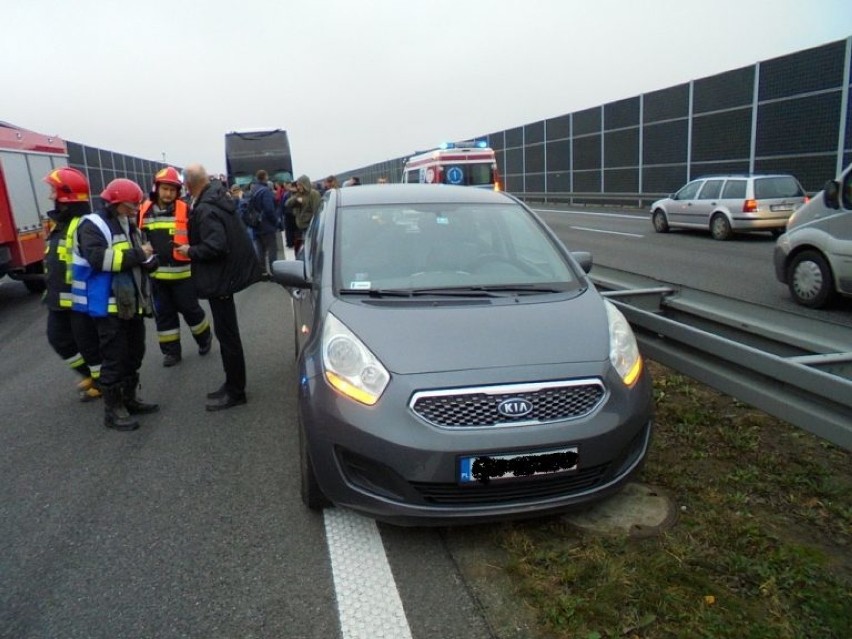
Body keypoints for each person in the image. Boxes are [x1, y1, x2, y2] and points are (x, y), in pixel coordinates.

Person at [73, 178, 159, 431]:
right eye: (130, 205)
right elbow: (100, 260)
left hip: (130, 301)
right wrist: (139, 255)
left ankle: (130, 399)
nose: (135, 209)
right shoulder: (93, 225)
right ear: (115, 203)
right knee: (114, 357)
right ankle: (113, 410)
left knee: (135, 353)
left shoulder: (127, 222)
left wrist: (149, 260)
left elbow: (141, 256)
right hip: (107, 304)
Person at [176, 164, 261, 411]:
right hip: (227, 277)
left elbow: (215, 245)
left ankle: (236, 391)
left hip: (220, 280)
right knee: (228, 336)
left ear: (189, 185)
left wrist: (189, 250)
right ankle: (233, 385)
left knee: (227, 337)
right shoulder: (218, 199)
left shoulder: (205, 209)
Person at [138, 167, 213, 367]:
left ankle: (204, 337)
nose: (168, 193)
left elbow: (196, 237)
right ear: (157, 188)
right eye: (165, 189)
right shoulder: (144, 211)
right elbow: (139, 238)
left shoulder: (186, 210)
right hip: (158, 277)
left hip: (183, 275)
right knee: (164, 316)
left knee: (191, 311)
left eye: (173, 189)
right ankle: (171, 352)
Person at [42, 167, 103, 401]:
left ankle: (102, 382)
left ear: (65, 196)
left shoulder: (84, 225)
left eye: (53, 191)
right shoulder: (60, 222)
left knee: (89, 345)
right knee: (58, 338)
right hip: (58, 299)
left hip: (80, 299)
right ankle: (89, 374)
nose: (50, 196)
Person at [248, 170, 279, 278]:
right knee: (271, 250)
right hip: (267, 225)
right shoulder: (265, 191)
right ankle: (274, 272)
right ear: (265, 177)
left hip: (255, 224)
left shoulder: (252, 190)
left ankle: (262, 272)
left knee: (260, 250)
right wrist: (276, 222)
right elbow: (269, 209)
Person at [285, 175, 321, 255]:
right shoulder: (298, 194)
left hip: (309, 227)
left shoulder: (313, 194)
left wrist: (314, 227)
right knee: (299, 251)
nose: (298, 187)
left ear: (304, 184)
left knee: (310, 251)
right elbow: (287, 204)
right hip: (299, 228)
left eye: (299, 185)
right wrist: (296, 199)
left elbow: (316, 211)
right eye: (297, 185)